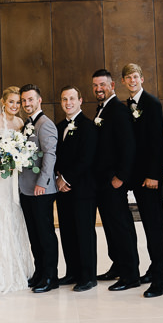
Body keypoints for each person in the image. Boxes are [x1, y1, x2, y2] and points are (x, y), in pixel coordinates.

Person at [90, 69, 140, 291]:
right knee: (110, 226)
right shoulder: (101, 109)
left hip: (114, 181)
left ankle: (131, 274)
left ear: (112, 86)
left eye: (102, 84)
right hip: (101, 181)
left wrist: (121, 177)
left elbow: (128, 146)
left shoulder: (118, 110)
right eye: (95, 85)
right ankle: (118, 265)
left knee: (121, 226)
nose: (98, 89)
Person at [121, 63, 163, 297]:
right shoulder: (124, 106)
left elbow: (155, 143)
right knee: (144, 226)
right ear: (123, 82)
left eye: (135, 76)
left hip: (149, 177)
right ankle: (151, 269)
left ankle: (161, 279)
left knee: (154, 226)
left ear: (142, 78)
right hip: (133, 176)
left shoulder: (152, 103)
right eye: (128, 78)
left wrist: (153, 175)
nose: (132, 80)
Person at [0, 86, 33, 294]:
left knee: (16, 216)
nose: (15, 105)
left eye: (17, 102)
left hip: (16, 178)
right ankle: (5, 271)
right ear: (3, 103)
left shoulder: (21, 123)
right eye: (11, 102)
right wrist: (4, 164)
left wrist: (18, 160)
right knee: (2, 216)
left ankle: (21, 266)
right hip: (0, 177)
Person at [55, 85, 98, 291]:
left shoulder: (88, 126)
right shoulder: (58, 126)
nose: (68, 103)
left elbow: (86, 159)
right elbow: (55, 157)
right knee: (68, 232)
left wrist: (66, 179)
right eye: (64, 99)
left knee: (84, 232)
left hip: (82, 190)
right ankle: (72, 271)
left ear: (80, 101)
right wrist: (57, 178)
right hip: (63, 190)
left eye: (72, 98)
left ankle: (88, 276)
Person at [18, 84, 59, 293]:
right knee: (34, 235)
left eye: (30, 99)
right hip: (26, 189)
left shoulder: (45, 124)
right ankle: (40, 272)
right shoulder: (27, 124)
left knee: (45, 234)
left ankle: (51, 277)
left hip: (41, 189)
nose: (27, 104)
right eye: (24, 100)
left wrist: (42, 183)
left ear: (39, 100)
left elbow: (50, 155)